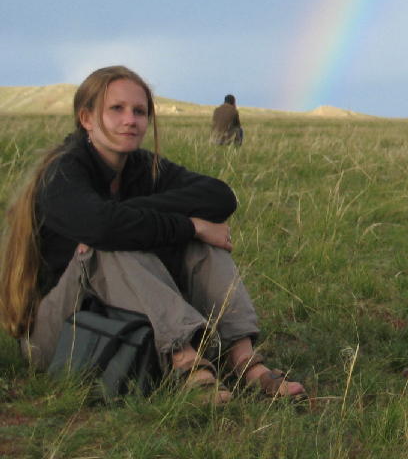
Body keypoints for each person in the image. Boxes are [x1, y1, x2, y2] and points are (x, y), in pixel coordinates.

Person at [0, 66, 305, 403]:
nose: (130, 120)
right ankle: (186, 364)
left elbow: (221, 197)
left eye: (139, 111)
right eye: (116, 109)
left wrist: (140, 217)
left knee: (196, 243)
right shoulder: (62, 173)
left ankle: (243, 359)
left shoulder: (144, 167)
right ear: (87, 118)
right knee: (108, 244)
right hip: (58, 337)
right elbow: (103, 227)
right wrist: (190, 224)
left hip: (123, 325)